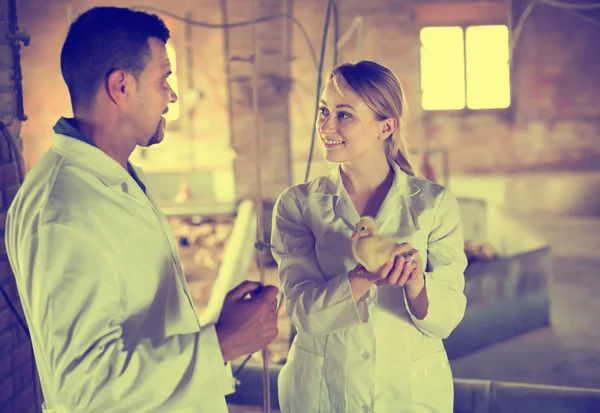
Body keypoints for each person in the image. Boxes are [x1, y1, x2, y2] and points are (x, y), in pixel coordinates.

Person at [5, 6, 279, 413]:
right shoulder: (63, 210)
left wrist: (219, 330)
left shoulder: (115, 175)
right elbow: (85, 389)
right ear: (121, 87)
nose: (171, 95)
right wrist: (220, 343)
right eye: (163, 79)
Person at [271, 60, 467, 412]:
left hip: (409, 391)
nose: (327, 126)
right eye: (323, 110)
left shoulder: (434, 204)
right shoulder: (298, 205)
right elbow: (302, 312)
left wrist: (416, 282)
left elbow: (448, 316)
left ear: (386, 126)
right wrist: (363, 278)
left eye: (344, 115)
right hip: (322, 391)